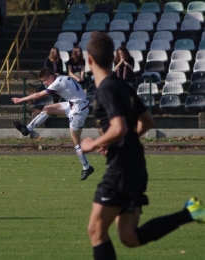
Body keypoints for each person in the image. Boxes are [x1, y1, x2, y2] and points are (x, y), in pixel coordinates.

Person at [81, 31, 205, 260]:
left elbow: (119, 128)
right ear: (112, 58)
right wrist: (118, 142)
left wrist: (93, 143)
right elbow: (147, 122)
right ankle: (189, 212)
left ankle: (190, 213)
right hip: (134, 165)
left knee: (96, 231)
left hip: (121, 170)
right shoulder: (123, 86)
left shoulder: (106, 89)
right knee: (129, 237)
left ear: (89, 60)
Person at [11, 67, 94, 180]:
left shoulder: (57, 83)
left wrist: (21, 100)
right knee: (47, 108)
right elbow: (56, 74)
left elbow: (38, 95)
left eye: (45, 80)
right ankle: (27, 129)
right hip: (73, 104)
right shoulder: (58, 77)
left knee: (75, 141)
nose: (44, 83)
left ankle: (86, 167)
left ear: (51, 77)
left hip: (79, 110)